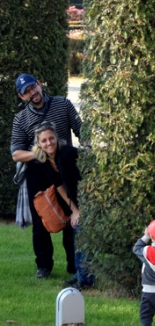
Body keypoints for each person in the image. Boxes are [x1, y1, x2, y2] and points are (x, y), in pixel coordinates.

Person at [11, 73, 82, 278]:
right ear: (21, 96)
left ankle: (73, 264)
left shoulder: (63, 104)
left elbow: (80, 130)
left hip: (65, 167)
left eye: (33, 87)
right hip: (37, 171)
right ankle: (44, 265)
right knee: (41, 218)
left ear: (39, 85)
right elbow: (16, 153)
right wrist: (40, 153)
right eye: (26, 92)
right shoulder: (21, 119)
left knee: (71, 215)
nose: (32, 93)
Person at [29, 122, 93, 288]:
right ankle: (80, 275)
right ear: (39, 143)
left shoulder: (66, 154)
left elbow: (83, 176)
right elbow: (59, 186)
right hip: (76, 199)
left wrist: (82, 208)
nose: (48, 143)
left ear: (57, 138)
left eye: (51, 138)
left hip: (89, 195)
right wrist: (74, 210)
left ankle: (86, 280)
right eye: (44, 140)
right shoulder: (44, 159)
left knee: (80, 235)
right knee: (76, 234)